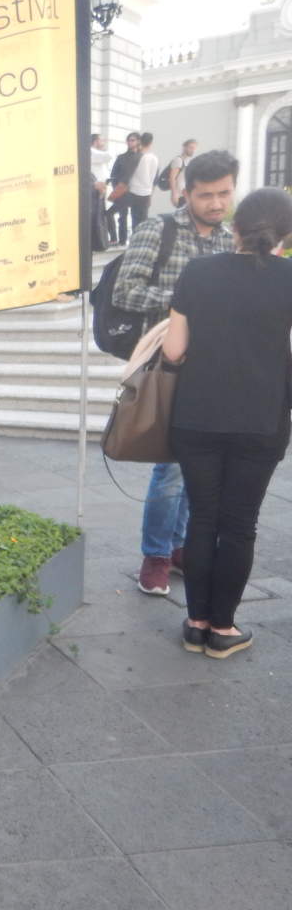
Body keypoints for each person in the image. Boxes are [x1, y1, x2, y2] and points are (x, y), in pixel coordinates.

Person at [163, 187, 292, 658]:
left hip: (196, 417)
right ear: (286, 234)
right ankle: (223, 628)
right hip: (261, 419)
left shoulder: (198, 272)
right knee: (239, 524)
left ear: (234, 227)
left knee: (202, 516)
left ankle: (195, 623)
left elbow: (173, 350)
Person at [112, 150, 238, 595]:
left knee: (197, 466)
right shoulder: (158, 229)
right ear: (186, 193)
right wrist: (187, 299)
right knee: (170, 469)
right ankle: (156, 555)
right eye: (206, 195)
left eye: (224, 193)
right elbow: (126, 292)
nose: (216, 203)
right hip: (167, 370)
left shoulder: (230, 241)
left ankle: (179, 545)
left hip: (215, 370)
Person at [106, 132, 141, 245]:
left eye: (133, 140)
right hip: (122, 192)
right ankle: (119, 240)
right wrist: (117, 188)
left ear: (138, 141)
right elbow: (113, 175)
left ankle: (135, 241)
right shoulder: (121, 158)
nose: (130, 142)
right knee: (121, 216)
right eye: (129, 140)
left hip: (138, 192)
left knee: (136, 218)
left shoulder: (142, 157)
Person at [127, 131, 159, 229]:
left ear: (140, 141)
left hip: (133, 191)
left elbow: (128, 175)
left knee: (134, 219)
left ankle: (134, 237)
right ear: (151, 143)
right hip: (146, 192)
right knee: (143, 220)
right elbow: (154, 179)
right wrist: (150, 195)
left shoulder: (135, 156)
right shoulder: (154, 158)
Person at [90, 133, 113, 251]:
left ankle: (108, 239)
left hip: (101, 188)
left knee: (104, 215)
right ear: (95, 141)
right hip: (97, 189)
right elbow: (108, 156)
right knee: (101, 216)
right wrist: (103, 149)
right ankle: (103, 240)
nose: (103, 142)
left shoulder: (95, 153)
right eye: (101, 140)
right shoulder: (91, 152)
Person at [166, 138, 197, 209]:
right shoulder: (178, 160)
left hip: (185, 193)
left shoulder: (188, 161)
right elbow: (172, 178)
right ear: (184, 147)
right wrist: (174, 194)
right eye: (191, 147)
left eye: (194, 148)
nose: (193, 150)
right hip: (179, 195)